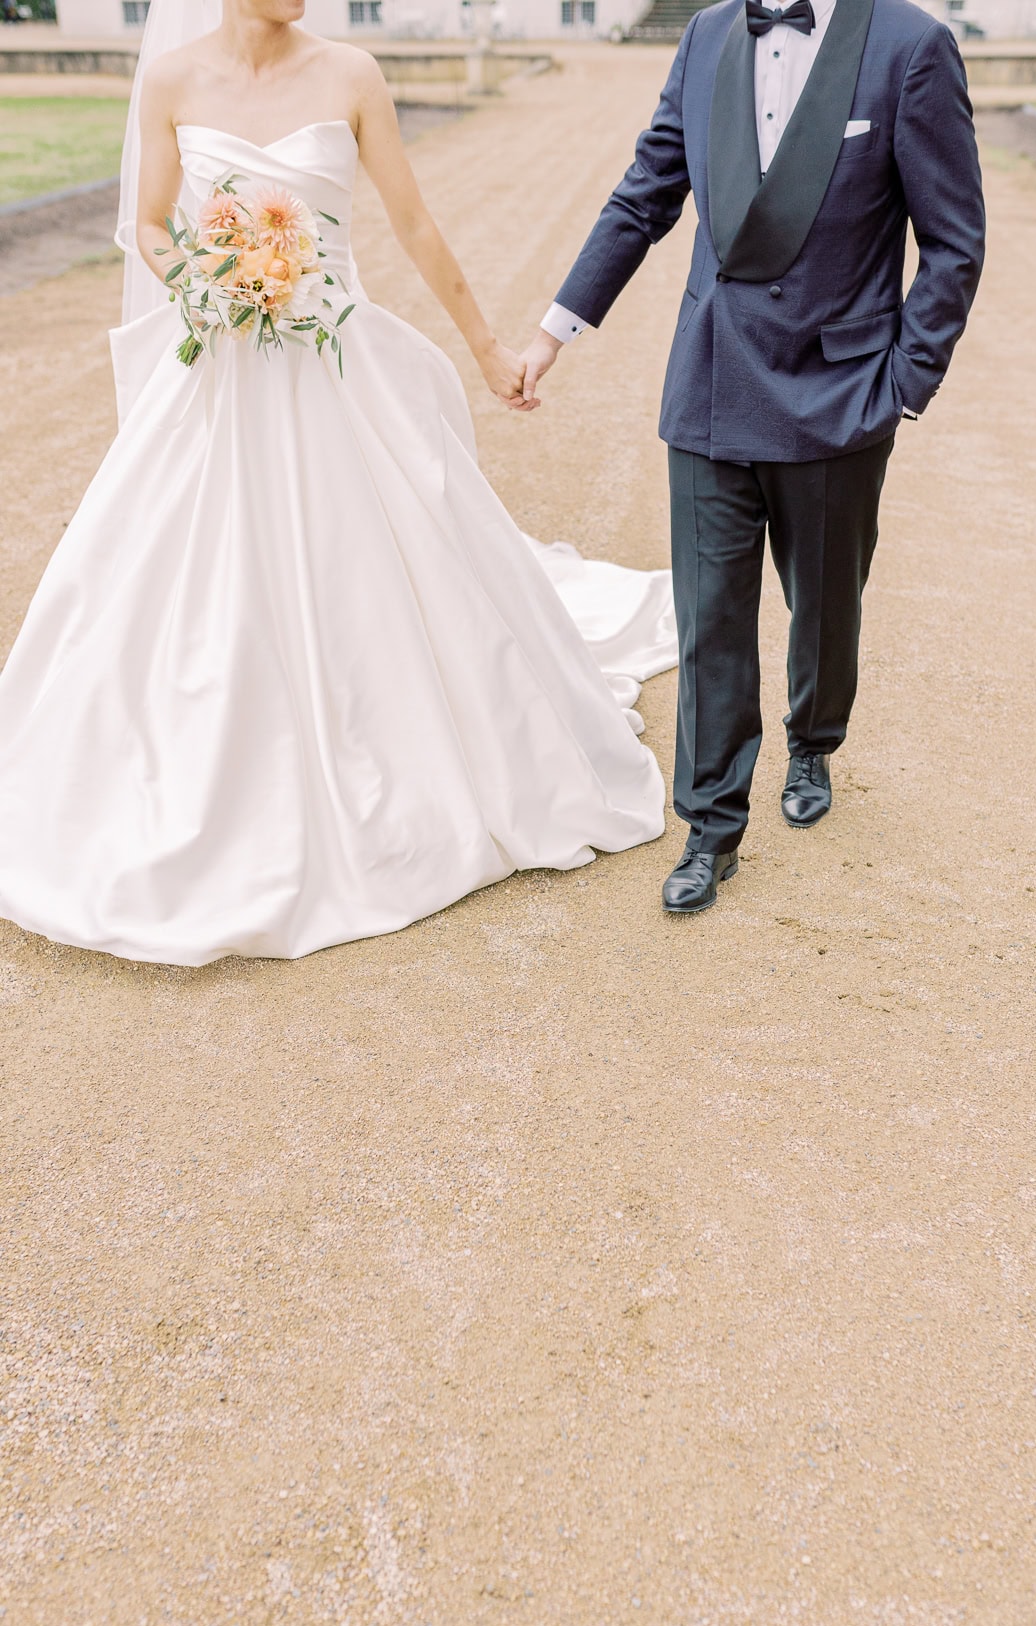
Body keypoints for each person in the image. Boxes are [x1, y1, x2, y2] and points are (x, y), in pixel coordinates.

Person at [0, 0, 676, 966]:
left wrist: (487, 348)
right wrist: (211, 272)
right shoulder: (173, 78)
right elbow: (148, 227)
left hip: (335, 364)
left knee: (388, 559)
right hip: (223, 368)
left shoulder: (352, 74)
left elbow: (411, 222)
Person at [519, 0, 986, 913]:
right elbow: (646, 192)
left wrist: (904, 379)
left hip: (837, 395)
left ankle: (813, 737)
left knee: (823, 601)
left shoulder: (910, 46)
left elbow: (955, 240)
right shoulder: (703, 38)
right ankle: (711, 824)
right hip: (712, 381)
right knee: (710, 618)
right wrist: (555, 330)